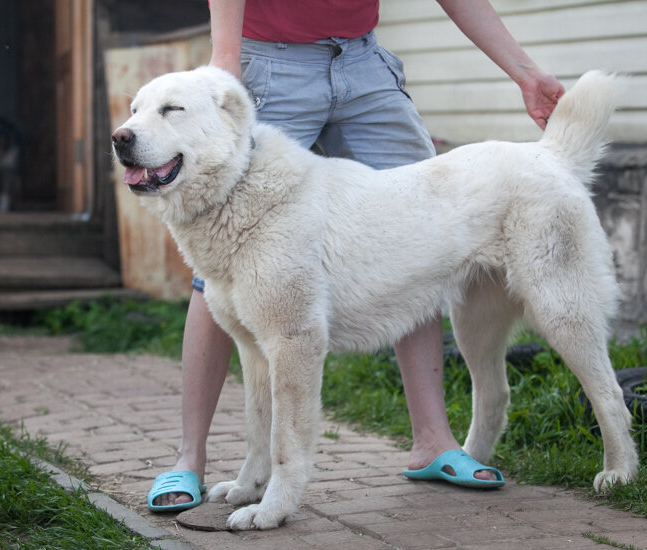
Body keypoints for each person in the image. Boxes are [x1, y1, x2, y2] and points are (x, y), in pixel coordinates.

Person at [147, 0, 565, 511]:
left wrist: (525, 74)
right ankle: (189, 460)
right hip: (267, 62)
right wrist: (226, 59)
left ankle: (433, 441)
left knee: (419, 233)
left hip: (361, 62)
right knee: (226, 259)